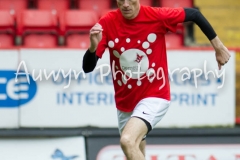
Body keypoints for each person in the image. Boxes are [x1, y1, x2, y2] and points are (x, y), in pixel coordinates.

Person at [82, 0, 231, 159]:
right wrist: (92, 48)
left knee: (127, 141)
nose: (125, 4)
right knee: (136, 151)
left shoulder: (156, 16)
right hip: (125, 103)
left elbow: (194, 14)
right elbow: (87, 68)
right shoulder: (107, 22)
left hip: (154, 96)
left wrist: (219, 47)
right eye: (121, 0)